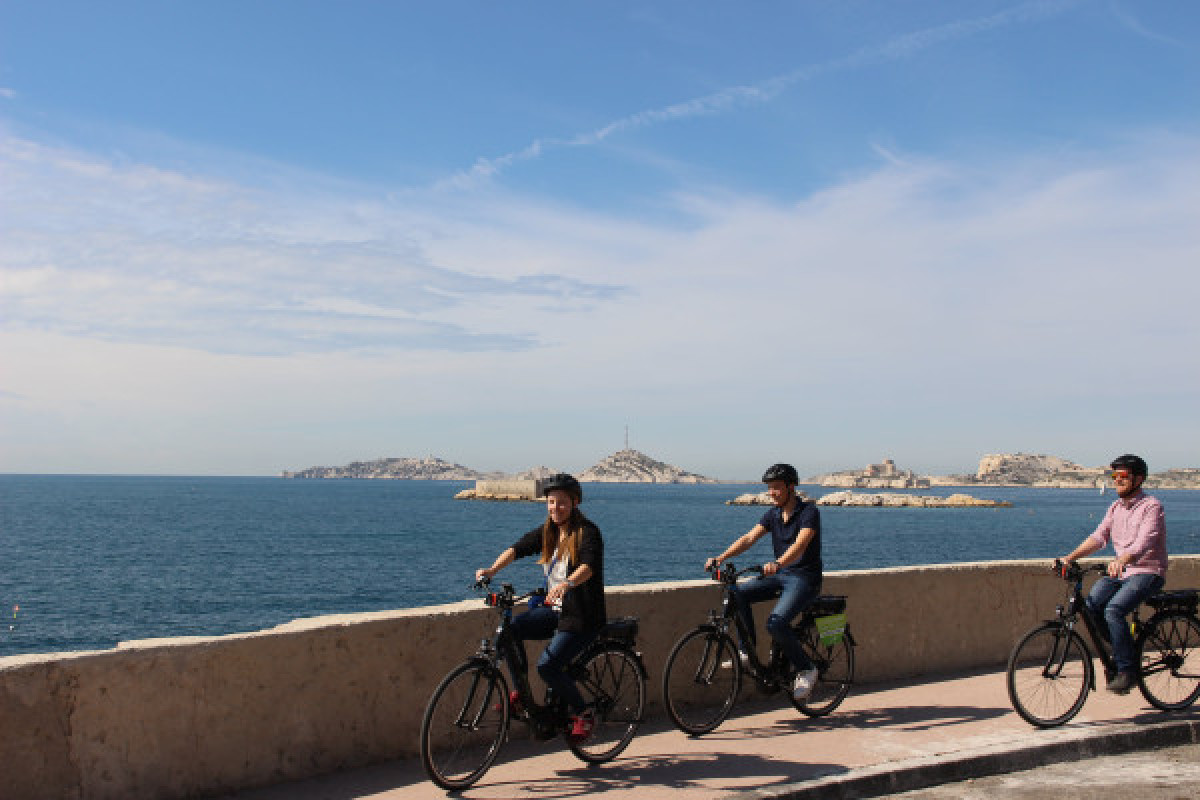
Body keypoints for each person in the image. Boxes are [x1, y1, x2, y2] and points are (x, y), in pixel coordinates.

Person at [475, 473, 605, 742]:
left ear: (575, 503)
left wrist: (568, 583)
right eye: (551, 502)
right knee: (510, 632)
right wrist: (491, 570)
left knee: (547, 666)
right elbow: (517, 548)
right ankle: (521, 696)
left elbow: (588, 565)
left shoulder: (587, 532)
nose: (555, 508)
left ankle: (584, 714)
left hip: (581, 615)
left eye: (562, 502)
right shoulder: (549, 531)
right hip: (555, 610)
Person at [705, 463, 822, 700]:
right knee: (738, 593)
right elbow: (748, 538)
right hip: (781, 576)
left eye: (776, 487)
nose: (772, 493)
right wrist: (721, 557)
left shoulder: (808, 512)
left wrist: (778, 563)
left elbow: (800, 545)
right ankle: (745, 652)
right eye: (769, 488)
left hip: (803, 578)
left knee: (776, 624)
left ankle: (807, 669)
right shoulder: (773, 515)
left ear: (791, 487)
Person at [1060, 453, 1167, 694]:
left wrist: (1123, 560)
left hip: (1147, 571)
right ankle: (1124, 651)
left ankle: (1127, 670)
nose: (1117, 480)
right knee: (1092, 605)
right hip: (1122, 572)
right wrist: (1069, 557)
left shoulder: (1151, 506)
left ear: (1138, 479)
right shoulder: (1115, 507)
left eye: (1123, 475)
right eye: (1114, 475)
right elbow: (1099, 537)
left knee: (1114, 610)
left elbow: (1145, 542)